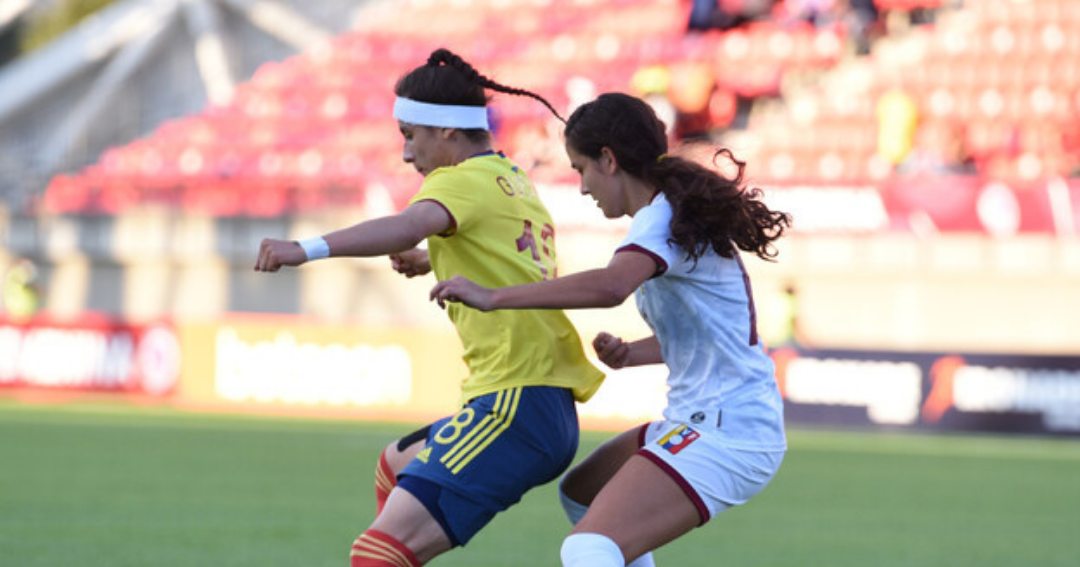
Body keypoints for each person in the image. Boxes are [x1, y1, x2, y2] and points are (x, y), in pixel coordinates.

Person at [253, 48, 605, 567]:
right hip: (538, 401)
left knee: (376, 554)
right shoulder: (508, 178)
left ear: (445, 132)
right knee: (394, 466)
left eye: (409, 135)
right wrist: (434, 255)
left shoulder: (458, 181)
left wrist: (306, 248)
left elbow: (405, 222)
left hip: (515, 403)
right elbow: (503, 252)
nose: (405, 154)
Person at [430, 92, 791, 567]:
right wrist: (631, 354)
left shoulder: (663, 219)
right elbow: (706, 333)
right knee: (581, 495)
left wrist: (494, 297)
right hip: (714, 418)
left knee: (587, 547)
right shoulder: (672, 215)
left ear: (609, 159)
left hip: (730, 430)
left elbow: (611, 286)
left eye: (580, 169)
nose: (582, 187)